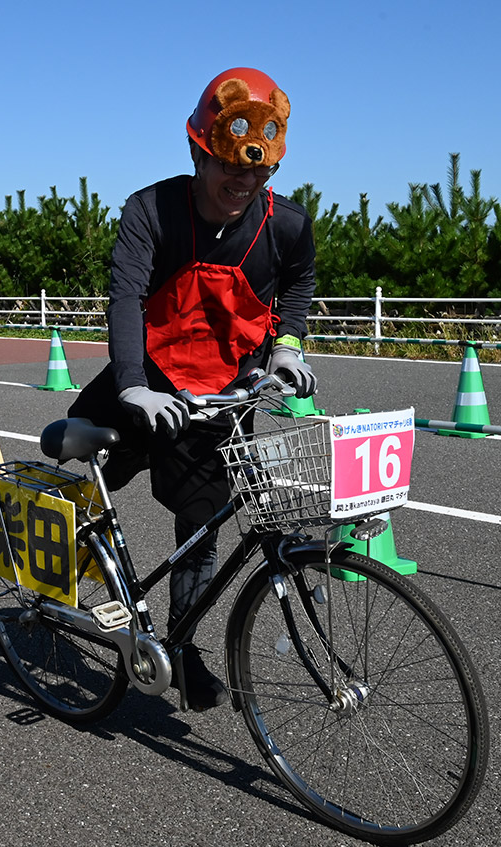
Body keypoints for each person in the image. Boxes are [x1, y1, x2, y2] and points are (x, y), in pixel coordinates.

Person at [69, 67, 318, 712]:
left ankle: (180, 645)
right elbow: (124, 298)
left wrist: (286, 346)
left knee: (203, 524)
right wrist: (129, 387)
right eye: (229, 169)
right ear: (198, 150)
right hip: (146, 378)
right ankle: (58, 585)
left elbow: (296, 283)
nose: (243, 185)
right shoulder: (151, 211)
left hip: (221, 389)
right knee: (83, 470)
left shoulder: (286, 225)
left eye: (257, 175)